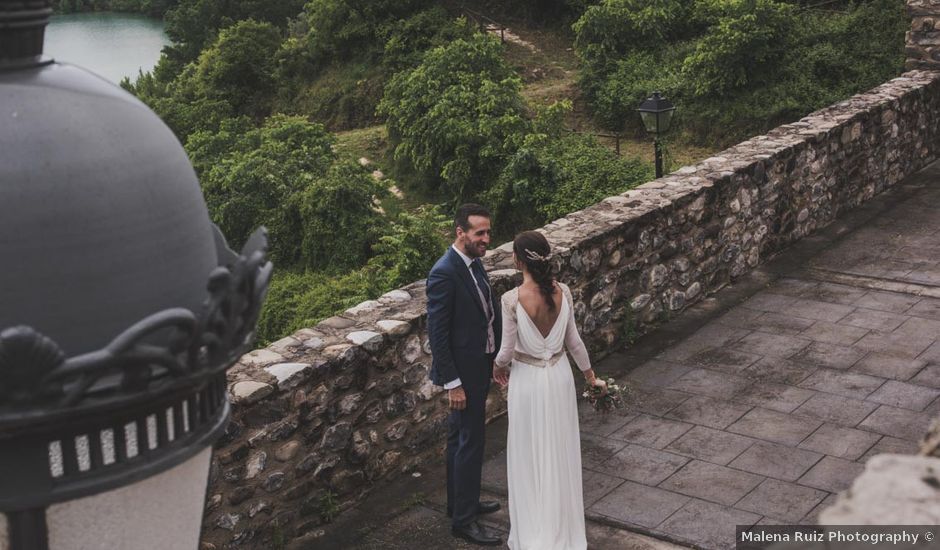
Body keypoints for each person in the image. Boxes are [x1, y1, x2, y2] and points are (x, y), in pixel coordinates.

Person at [492, 230, 603, 550]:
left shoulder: (511, 299)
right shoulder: (563, 292)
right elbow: (575, 343)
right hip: (559, 377)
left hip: (527, 381)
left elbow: (505, 351)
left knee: (528, 452)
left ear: (517, 259)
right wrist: (591, 377)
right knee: (560, 448)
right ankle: (562, 529)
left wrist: (497, 368)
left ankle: (535, 529)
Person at [426, 203, 504, 546]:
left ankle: (460, 503)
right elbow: (437, 334)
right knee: (470, 443)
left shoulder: (474, 264)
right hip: (463, 373)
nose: (487, 238)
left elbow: (485, 315)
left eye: (488, 232)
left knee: (461, 439)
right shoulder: (444, 272)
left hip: (480, 364)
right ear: (461, 233)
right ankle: (464, 522)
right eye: (480, 233)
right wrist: (453, 383)